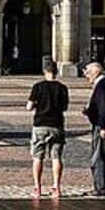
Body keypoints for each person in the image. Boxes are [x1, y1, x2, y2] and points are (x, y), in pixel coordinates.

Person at [26, 58, 68, 198]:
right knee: (56, 157)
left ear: (45, 71)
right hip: (57, 125)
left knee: (38, 157)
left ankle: (37, 188)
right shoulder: (63, 88)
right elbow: (64, 107)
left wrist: (38, 105)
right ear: (56, 72)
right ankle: (57, 187)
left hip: (40, 125)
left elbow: (29, 106)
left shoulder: (37, 86)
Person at [82, 61, 105, 196]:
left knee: (100, 157)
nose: (86, 76)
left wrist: (103, 126)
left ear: (95, 72)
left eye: (88, 73)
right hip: (104, 125)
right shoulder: (104, 84)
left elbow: (104, 108)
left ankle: (102, 187)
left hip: (102, 126)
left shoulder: (102, 86)